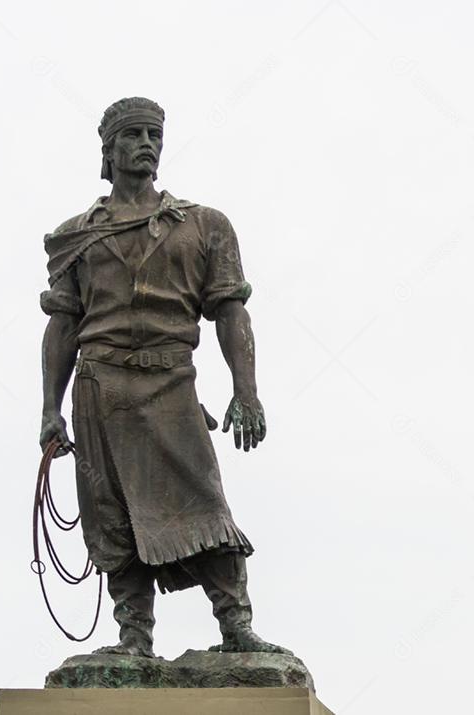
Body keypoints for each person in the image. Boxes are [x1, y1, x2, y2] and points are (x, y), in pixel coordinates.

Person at [38, 96, 288, 657]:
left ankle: (236, 626)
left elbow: (230, 310)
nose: (146, 144)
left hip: (171, 384)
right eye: (133, 135)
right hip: (99, 387)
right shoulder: (77, 237)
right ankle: (134, 637)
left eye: (154, 134)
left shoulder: (203, 225)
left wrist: (246, 392)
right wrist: (50, 411)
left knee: (205, 505)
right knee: (112, 512)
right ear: (108, 150)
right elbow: (63, 325)